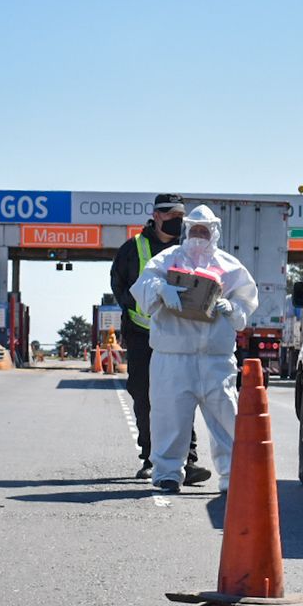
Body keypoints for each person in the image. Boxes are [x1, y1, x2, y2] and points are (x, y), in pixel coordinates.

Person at [130, 205, 258, 493]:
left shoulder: (230, 266)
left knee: (226, 420)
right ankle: (167, 474)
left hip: (215, 359)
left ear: (214, 231)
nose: (199, 234)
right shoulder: (167, 259)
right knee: (169, 418)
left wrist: (231, 307)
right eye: (195, 229)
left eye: (205, 229)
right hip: (173, 356)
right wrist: (162, 290)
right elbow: (144, 285)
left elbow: (246, 304)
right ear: (187, 230)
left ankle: (231, 477)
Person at [108, 193, 204, 482]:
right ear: (156, 215)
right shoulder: (132, 249)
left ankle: (188, 460)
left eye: (180, 216)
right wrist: (150, 304)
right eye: (171, 215)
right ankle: (150, 458)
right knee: (145, 396)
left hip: (179, 335)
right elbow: (120, 288)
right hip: (142, 335)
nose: (176, 221)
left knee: (182, 396)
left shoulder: (188, 249)